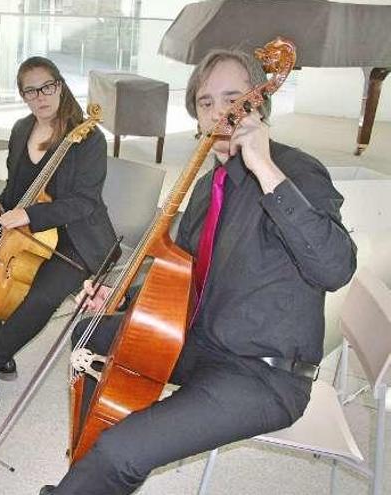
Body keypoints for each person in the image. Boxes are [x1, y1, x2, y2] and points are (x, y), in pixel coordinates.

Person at [40, 49, 357, 495]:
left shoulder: (296, 171)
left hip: (260, 374)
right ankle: (93, 468)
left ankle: (103, 464)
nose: (220, 112)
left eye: (233, 97)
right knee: (91, 334)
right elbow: (178, 278)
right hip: (201, 343)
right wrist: (117, 295)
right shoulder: (210, 186)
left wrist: (264, 166)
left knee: (120, 452)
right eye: (206, 102)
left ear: (259, 105)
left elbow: (335, 267)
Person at [0, 56, 118, 413]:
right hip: (25, 233)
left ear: (60, 85)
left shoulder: (87, 137)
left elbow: (84, 202)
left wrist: (27, 214)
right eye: (31, 91)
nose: (41, 96)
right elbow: (16, 187)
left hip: (77, 237)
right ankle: (0, 352)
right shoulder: (21, 129)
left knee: (41, 297)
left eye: (47, 87)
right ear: (23, 95)